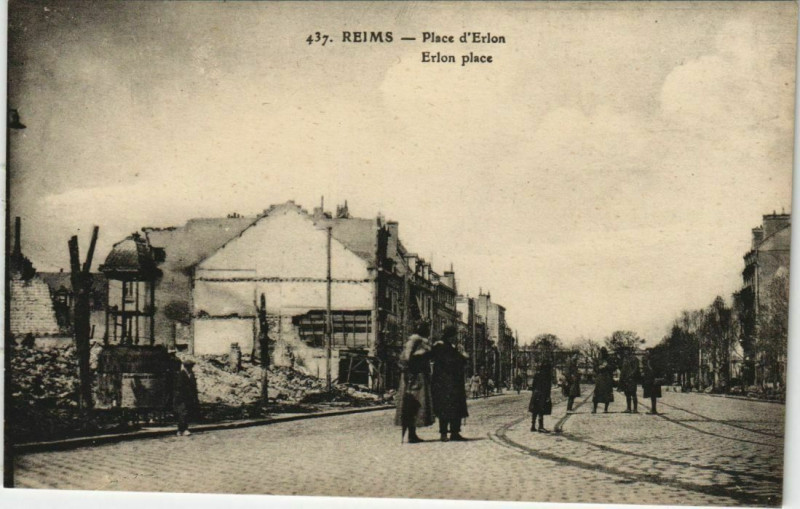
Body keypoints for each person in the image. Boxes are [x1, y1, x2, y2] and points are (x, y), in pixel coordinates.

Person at [394, 324, 435, 443]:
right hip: (413, 377)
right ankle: (411, 435)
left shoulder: (419, 340)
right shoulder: (415, 339)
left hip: (416, 376)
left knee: (414, 406)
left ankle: (412, 434)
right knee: (413, 404)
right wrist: (421, 355)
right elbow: (407, 357)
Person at [431, 326, 470, 442]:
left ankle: (453, 432)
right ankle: (445, 433)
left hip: (449, 383)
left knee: (452, 408)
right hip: (446, 383)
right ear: (450, 336)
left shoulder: (446, 347)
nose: (456, 338)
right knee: (447, 408)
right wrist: (462, 355)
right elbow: (453, 362)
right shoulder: (442, 347)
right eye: (454, 335)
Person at [173, 358, 200, 436]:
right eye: (189, 367)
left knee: (186, 413)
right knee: (183, 413)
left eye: (191, 367)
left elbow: (194, 387)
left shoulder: (191, 375)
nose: (191, 369)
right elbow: (179, 387)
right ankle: (183, 429)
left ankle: (181, 430)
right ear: (185, 367)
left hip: (189, 397)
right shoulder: (181, 375)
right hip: (181, 398)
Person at [529, 360, 553, 432]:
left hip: (535, 393)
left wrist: (534, 393)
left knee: (534, 410)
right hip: (543, 394)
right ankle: (540, 426)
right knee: (541, 410)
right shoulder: (548, 376)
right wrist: (548, 396)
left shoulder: (537, 374)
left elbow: (533, 385)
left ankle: (533, 426)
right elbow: (548, 387)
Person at [592, 347, 614, 414]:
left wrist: (607, 366)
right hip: (600, 377)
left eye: (604, 352)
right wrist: (599, 367)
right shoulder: (598, 359)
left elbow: (613, 367)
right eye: (602, 352)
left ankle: (605, 409)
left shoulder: (609, 359)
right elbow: (595, 368)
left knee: (607, 393)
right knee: (596, 393)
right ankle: (594, 409)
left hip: (607, 378)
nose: (603, 353)